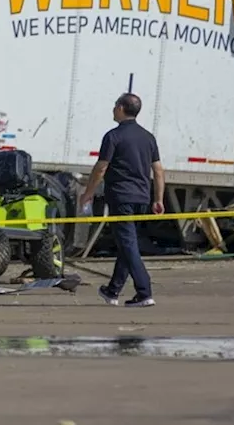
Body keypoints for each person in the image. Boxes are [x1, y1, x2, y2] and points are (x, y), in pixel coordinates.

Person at [78, 92, 165, 308]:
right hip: (142, 197)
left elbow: (101, 167)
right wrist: (158, 198)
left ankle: (144, 291)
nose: (113, 109)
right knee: (128, 244)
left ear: (121, 108)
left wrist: (88, 192)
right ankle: (112, 290)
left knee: (128, 244)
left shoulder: (113, 136)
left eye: (115, 105)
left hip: (121, 196)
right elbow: (159, 170)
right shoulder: (148, 137)